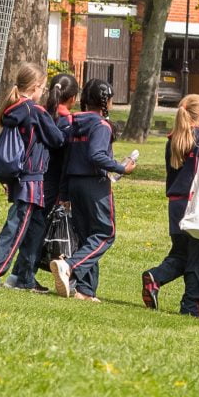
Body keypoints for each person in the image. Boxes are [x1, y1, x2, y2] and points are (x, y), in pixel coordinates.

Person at [0, 64, 65, 291]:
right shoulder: (34, 111)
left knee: (34, 228)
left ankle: (24, 278)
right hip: (31, 180)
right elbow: (57, 139)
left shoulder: (13, 108)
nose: (43, 92)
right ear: (35, 87)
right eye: (43, 88)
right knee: (16, 229)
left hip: (18, 178)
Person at [142, 93, 199, 317]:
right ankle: (191, 305)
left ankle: (155, 277)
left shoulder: (173, 141)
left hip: (176, 204)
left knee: (181, 254)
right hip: (196, 205)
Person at [51, 78, 136, 299]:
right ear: (105, 101)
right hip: (94, 185)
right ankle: (68, 266)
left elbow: (67, 159)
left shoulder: (73, 122)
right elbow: (96, 155)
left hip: (74, 184)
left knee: (88, 237)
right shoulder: (101, 125)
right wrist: (121, 168)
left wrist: (64, 193)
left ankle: (85, 291)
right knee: (106, 234)